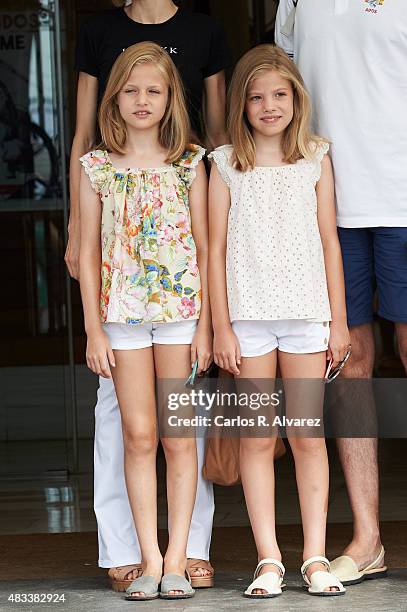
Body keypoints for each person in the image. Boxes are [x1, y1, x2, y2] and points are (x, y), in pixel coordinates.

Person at [67, 0, 230, 590]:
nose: (142, 100)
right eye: (131, 90)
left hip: (182, 318)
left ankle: (181, 554)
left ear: (170, 99)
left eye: (154, 92)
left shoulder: (191, 164)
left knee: (178, 436)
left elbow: (210, 251)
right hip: (122, 319)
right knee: (137, 434)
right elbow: (86, 253)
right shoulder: (97, 168)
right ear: (114, 98)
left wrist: (210, 327)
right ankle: (150, 558)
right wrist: (91, 328)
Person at [208, 44, 349, 598]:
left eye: (280, 95)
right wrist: (221, 327)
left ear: (296, 98)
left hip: (308, 317)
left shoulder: (315, 156)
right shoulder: (226, 164)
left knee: (308, 436)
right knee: (257, 439)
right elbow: (214, 249)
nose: (269, 106)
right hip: (249, 321)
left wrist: (338, 321)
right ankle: (269, 557)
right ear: (242, 104)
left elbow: (331, 243)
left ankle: (314, 555)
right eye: (257, 97)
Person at [275, 0, 407, 584]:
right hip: (327, 202)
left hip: (403, 198)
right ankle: (368, 537)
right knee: (348, 362)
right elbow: (281, 87)